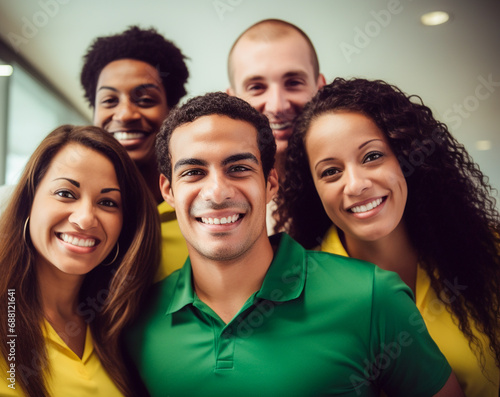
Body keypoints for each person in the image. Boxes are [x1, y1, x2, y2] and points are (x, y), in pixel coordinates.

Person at [126, 92, 464, 396]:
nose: (217, 192)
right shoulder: (137, 319)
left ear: (271, 183)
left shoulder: (373, 296)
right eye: (193, 173)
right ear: (168, 190)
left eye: (239, 168)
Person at [276, 77, 500, 396]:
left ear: (407, 156)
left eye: (372, 156)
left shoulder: (488, 254)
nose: (355, 185)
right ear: (314, 190)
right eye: (330, 172)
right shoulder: (293, 296)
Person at [0, 125, 160, 396]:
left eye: (108, 202)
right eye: (66, 193)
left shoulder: (122, 327)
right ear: (29, 201)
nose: (85, 218)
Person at [80, 25, 189, 279]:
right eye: (109, 101)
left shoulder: (198, 213)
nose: (126, 114)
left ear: (172, 111)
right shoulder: (76, 216)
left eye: (145, 100)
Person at [227, 19, 326, 234]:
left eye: (293, 83)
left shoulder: (352, 184)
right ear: (233, 99)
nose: (277, 106)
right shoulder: (220, 199)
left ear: (320, 88)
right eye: (256, 87)